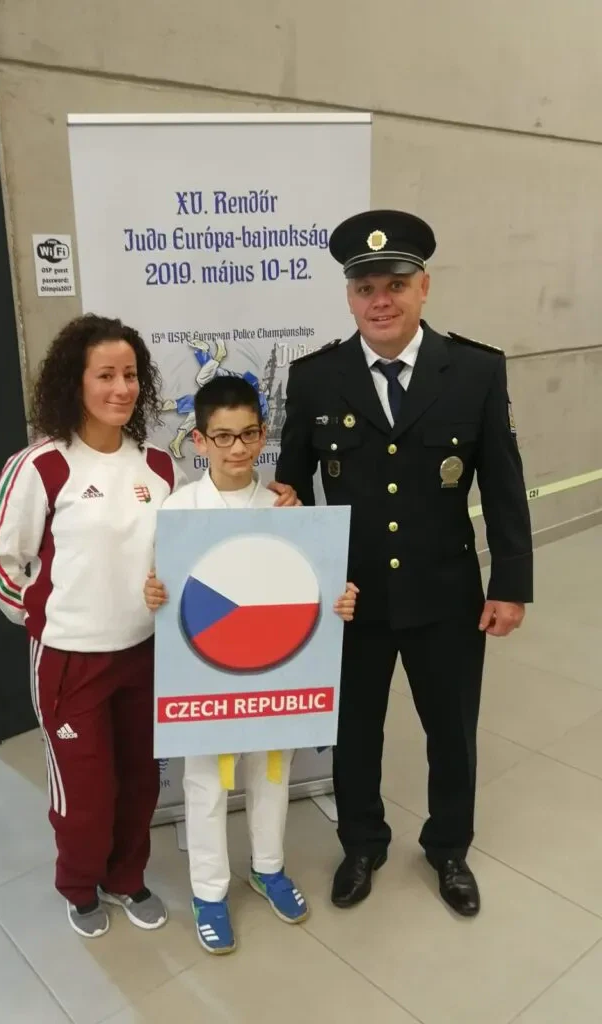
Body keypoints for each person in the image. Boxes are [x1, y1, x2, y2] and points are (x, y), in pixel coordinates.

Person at [0, 314, 299, 940]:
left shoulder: (157, 465)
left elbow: (202, 545)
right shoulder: (41, 465)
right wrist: (43, 616)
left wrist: (280, 506)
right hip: (70, 659)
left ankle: (126, 878)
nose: (121, 388)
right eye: (105, 375)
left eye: (130, 375)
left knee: (140, 782)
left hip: (148, 653)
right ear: (75, 381)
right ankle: (79, 885)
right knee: (85, 788)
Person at [275, 210, 533, 918]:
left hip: (446, 592)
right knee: (355, 731)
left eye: (394, 284)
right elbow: (291, 489)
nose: (380, 301)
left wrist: (511, 584)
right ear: (349, 297)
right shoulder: (317, 378)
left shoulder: (474, 370)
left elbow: (503, 484)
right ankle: (362, 842)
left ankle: (448, 846)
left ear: (424, 287)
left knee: (451, 730)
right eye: (365, 289)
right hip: (350, 596)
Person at [144, 375, 358, 954]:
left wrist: (339, 600)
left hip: (271, 668)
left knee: (271, 773)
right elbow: (159, 588)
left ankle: (268, 867)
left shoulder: (285, 508)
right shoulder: (177, 511)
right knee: (206, 784)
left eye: (247, 435)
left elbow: (312, 587)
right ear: (199, 441)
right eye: (223, 436)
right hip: (207, 671)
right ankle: (209, 891)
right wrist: (153, 594)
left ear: (263, 435)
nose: (237, 448)